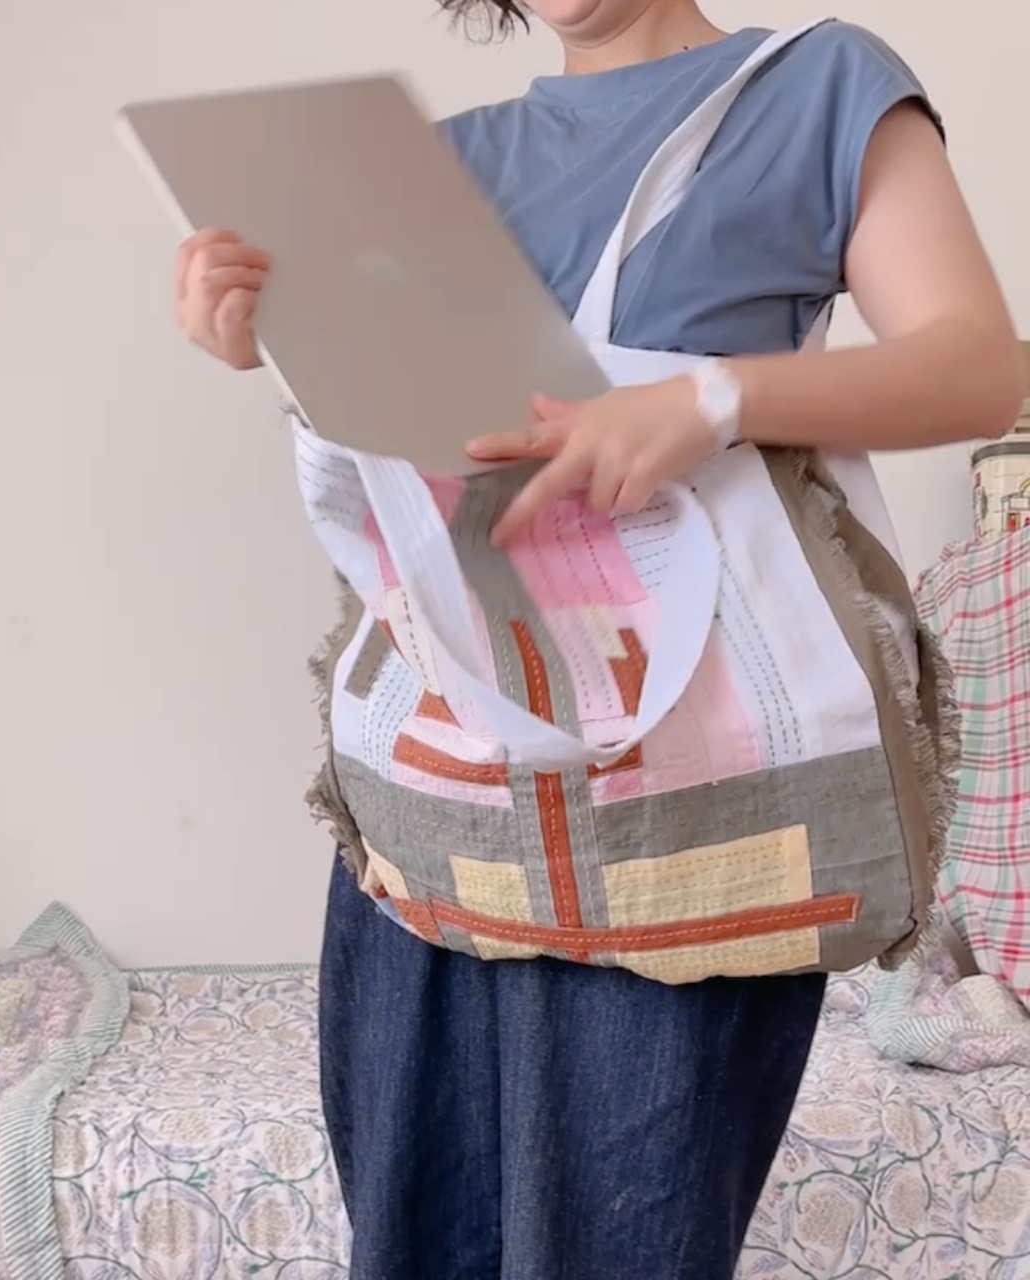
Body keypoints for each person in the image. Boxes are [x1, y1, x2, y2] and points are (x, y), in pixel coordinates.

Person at [174, 2, 1024, 1277]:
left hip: (688, 808)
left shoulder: (814, 85)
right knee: (410, 1238)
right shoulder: (439, 160)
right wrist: (259, 336)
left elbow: (977, 368)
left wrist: (710, 399)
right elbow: (415, 451)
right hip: (437, 806)